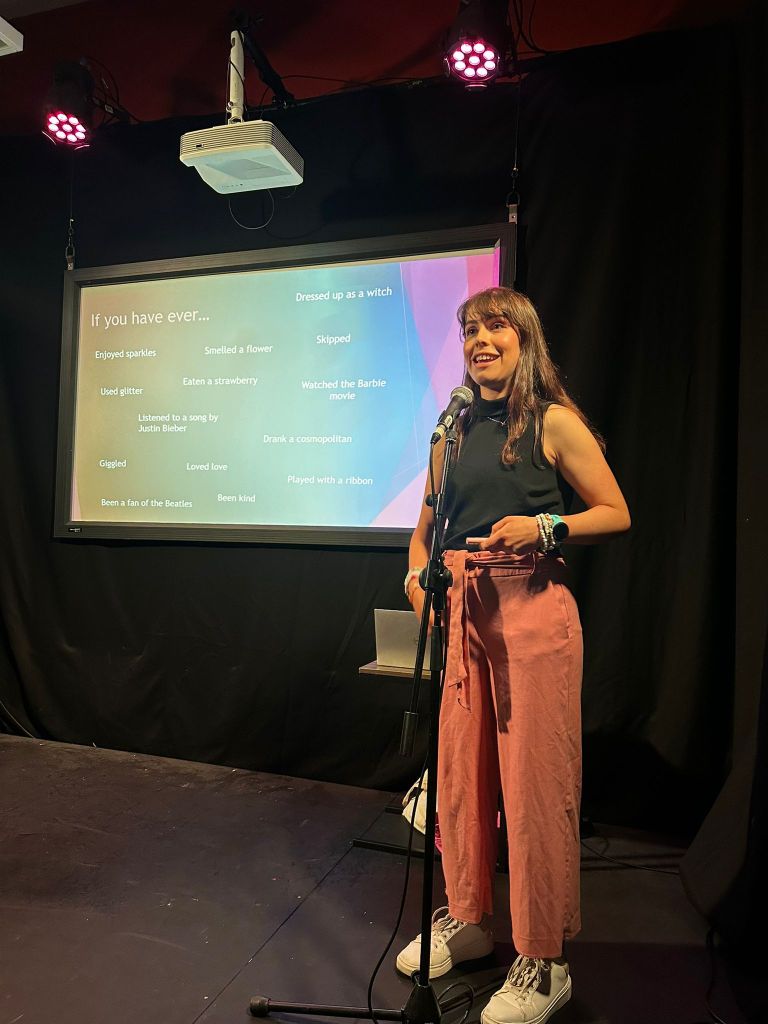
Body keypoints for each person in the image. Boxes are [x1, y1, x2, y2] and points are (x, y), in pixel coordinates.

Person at [396, 287, 631, 1024]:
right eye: (470, 328)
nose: (479, 338)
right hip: (462, 610)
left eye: (495, 325)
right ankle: (468, 920)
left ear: (524, 338)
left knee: (534, 786)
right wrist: (414, 581)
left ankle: (544, 957)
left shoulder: (553, 423)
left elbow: (615, 511)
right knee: (462, 781)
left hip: (531, 607)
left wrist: (546, 526)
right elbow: (428, 523)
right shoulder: (452, 432)